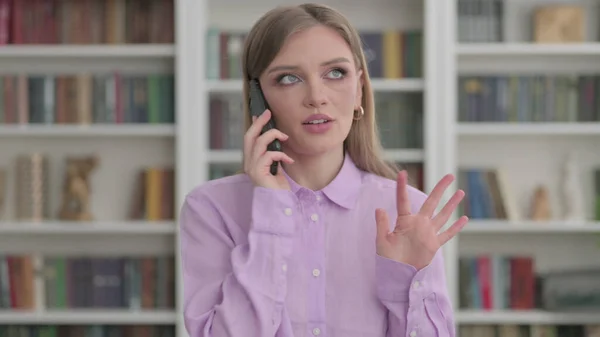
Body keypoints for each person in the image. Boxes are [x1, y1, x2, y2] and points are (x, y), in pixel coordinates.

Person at [179, 3, 469, 337]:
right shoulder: (211, 210)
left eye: (335, 73)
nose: (316, 97)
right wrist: (272, 216)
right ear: (258, 99)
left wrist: (406, 282)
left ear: (359, 88)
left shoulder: (409, 213)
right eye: (289, 78)